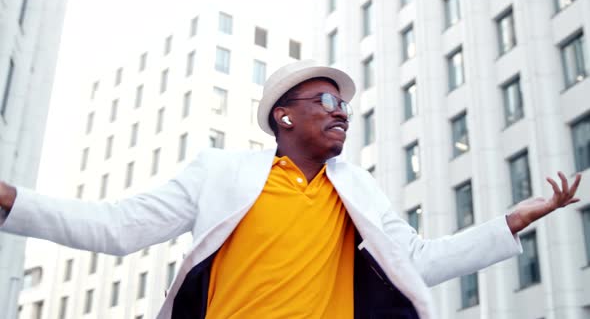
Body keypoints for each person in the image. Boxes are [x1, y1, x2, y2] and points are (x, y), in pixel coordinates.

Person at [0, 60, 582, 319]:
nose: (343, 113)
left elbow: (418, 261)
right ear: (283, 117)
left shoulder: (357, 190)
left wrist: (514, 220)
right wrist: (11, 201)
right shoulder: (222, 173)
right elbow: (118, 228)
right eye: (327, 102)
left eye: (347, 105)